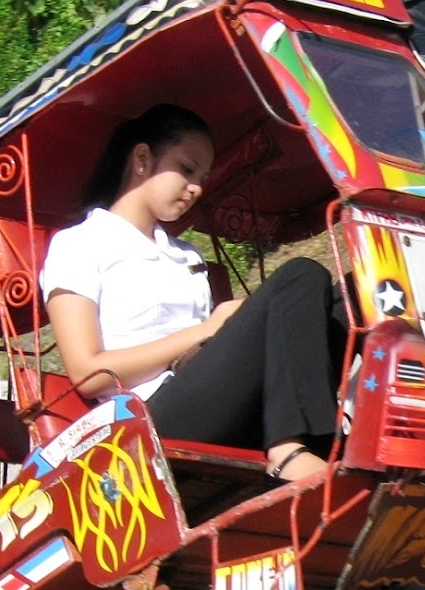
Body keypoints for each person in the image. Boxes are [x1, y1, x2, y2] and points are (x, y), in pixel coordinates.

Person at [40, 104, 346, 482]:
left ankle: (343, 439)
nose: (196, 187)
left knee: (341, 303)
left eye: (202, 177)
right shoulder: (80, 243)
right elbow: (89, 373)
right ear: (142, 158)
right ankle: (288, 449)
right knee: (300, 274)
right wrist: (205, 331)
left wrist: (223, 330)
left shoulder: (186, 255)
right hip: (146, 417)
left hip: (205, 391)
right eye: (186, 169)